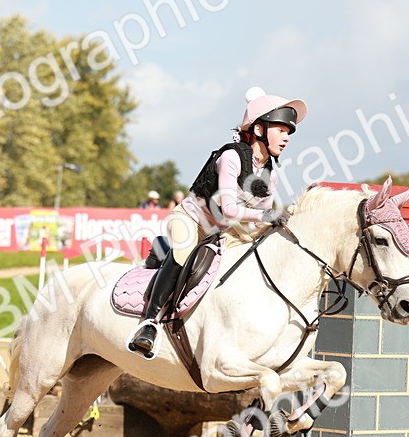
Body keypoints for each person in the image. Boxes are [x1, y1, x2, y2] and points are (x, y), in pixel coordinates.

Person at [128, 86, 307, 358]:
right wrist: (265, 215)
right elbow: (230, 208)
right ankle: (149, 323)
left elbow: (259, 221)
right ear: (259, 130)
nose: (287, 137)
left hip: (223, 231)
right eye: (281, 130)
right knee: (184, 249)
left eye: (289, 132)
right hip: (191, 221)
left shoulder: (270, 175)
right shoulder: (231, 157)